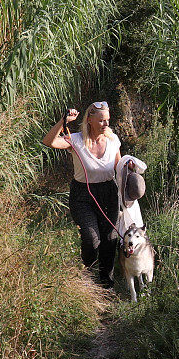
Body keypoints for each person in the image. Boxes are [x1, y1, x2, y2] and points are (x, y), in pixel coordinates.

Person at [43, 101, 122, 288]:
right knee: (91, 238)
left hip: (109, 192)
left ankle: (106, 285)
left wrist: (130, 170)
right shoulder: (77, 140)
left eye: (107, 120)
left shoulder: (113, 140)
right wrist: (64, 122)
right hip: (83, 195)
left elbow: (119, 167)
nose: (106, 124)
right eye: (101, 121)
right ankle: (87, 276)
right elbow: (49, 141)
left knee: (110, 239)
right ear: (90, 120)